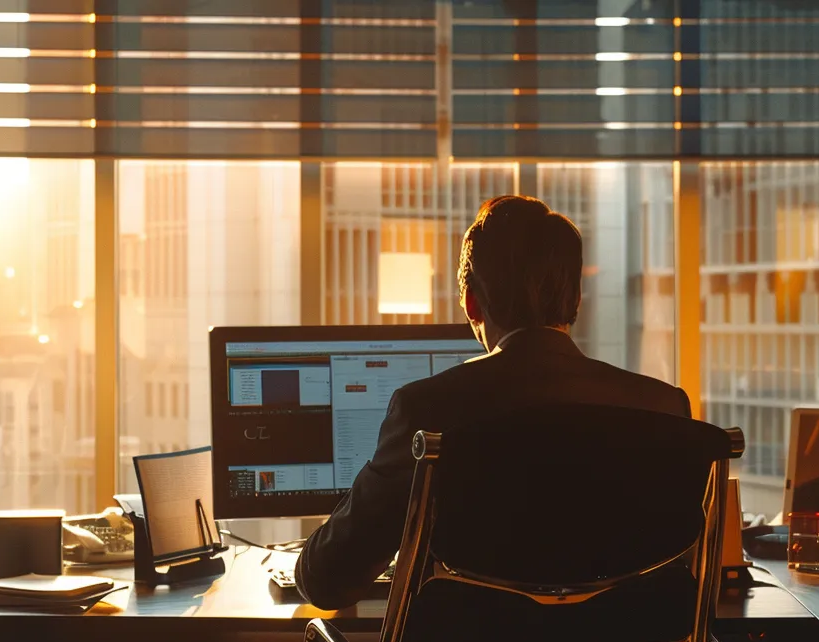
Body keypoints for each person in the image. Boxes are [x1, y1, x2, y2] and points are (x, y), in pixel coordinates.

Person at [296, 195, 692, 610]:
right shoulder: (662, 407)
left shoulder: (426, 411)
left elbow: (328, 581)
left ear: (471, 304)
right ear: (576, 300)